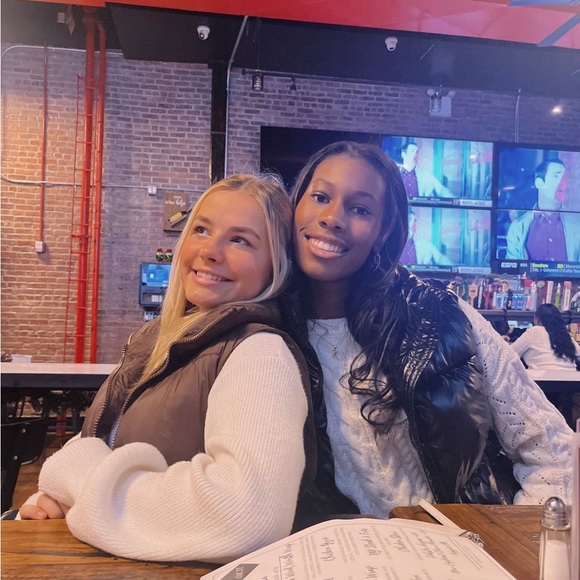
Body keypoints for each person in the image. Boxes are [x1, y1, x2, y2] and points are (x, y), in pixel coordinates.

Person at [18, 174, 316, 563]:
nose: (210, 250)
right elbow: (102, 440)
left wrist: (76, 479)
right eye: (202, 229)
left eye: (241, 240)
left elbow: (244, 515)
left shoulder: (260, 353)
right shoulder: (157, 340)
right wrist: (55, 499)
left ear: (276, 266)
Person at [283, 141, 573, 521]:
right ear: (294, 206)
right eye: (321, 197)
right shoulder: (266, 333)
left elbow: (552, 450)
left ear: (384, 231)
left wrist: (508, 541)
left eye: (361, 209)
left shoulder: (441, 315)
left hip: (463, 547)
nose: (333, 218)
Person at [506, 159, 580, 261]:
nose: (562, 183)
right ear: (539, 183)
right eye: (556, 176)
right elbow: (512, 267)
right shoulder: (518, 228)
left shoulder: (577, 224)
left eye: (564, 178)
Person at [511, 303, 580, 370]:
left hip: (543, 376)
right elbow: (578, 352)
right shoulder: (564, 334)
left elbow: (509, 353)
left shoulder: (535, 331)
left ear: (537, 319)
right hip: (571, 376)